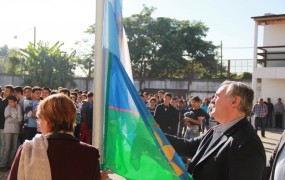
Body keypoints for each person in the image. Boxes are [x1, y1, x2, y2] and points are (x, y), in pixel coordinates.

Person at [165, 80, 266, 180]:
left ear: (235, 101)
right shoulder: (216, 130)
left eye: (216, 96)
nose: (212, 100)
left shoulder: (248, 145)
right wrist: (154, 133)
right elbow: (187, 146)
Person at [8, 94, 101, 180]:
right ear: (73, 119)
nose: (39, 123)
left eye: (39, 119)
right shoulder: (91, 154)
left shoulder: (28, 150)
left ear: (47, 121)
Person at [0, 95, 22, 171]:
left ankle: (10, 164)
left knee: (14, 148)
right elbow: (8, 119)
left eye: (11, 102)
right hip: (8, 131)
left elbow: (20, 119)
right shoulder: (7, 108)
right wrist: (17, 121)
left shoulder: (18, 108)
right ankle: (3, 165)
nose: (9, 103)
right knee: (7, 148)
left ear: (16, 102)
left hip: (16, 131)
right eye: (9, 102)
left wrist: (18, 108)